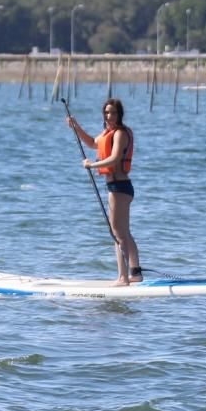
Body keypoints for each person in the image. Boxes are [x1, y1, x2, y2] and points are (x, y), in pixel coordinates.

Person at [66, 98, 141, 286]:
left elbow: (115, 159)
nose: (109, 116)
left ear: (120, 114)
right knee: (124, 232)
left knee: (116, 233)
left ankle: (123, 278)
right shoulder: (108, 133)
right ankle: (135, 273)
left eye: (113, 113)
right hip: (119, 188)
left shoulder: (120, 134)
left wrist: (92, 165)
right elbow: (92, 143)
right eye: (107, 113)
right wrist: (76, 127)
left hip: (119, 188)